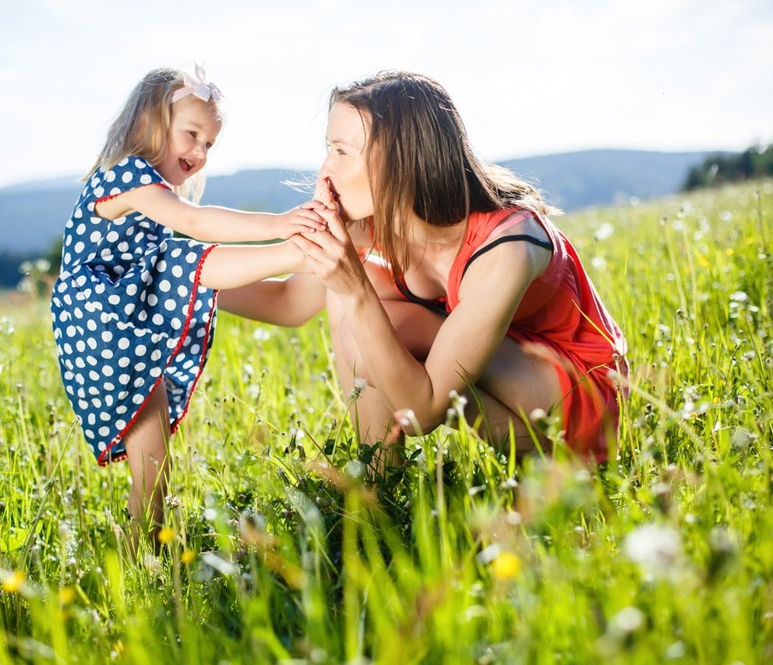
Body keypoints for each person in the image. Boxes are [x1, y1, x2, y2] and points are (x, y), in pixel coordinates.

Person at [220, 70, 628, 469]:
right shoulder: (379, 224)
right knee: (355, 287)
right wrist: (180, 277)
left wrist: (355, 291)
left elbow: (423, 412)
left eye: (342, 151)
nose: (325, 170)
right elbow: (289, 303)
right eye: (329, 149)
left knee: (366, 305)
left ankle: (557, 467)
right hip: (504, 386)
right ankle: (375, 477)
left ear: (401, 160)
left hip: (586, 404)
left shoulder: (509, 245)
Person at [50, 65, 324, 546]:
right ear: (146, 123)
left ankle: (142, 558)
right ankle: (297, 252)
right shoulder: (126, 176)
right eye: (191, 134)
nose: (199, 153)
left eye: (210, 144)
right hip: (103, 320)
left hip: (127, 312)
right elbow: (194, 222)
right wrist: (282, 226)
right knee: (180, 257)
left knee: (153, 466)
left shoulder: (149, 199)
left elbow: (284, 304)